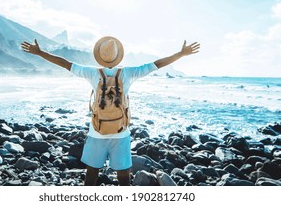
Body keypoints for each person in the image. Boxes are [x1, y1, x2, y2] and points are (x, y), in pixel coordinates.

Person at [21, 36, 200, 185]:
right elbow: (157, 64)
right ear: (117, 56)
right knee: (123, 175)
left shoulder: (92, 73)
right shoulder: (129, 73)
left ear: (100, 56)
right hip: (121, 132)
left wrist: (39, 52)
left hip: (96, 132)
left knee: (92, 173)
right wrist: (181, 54)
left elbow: (64, 63)